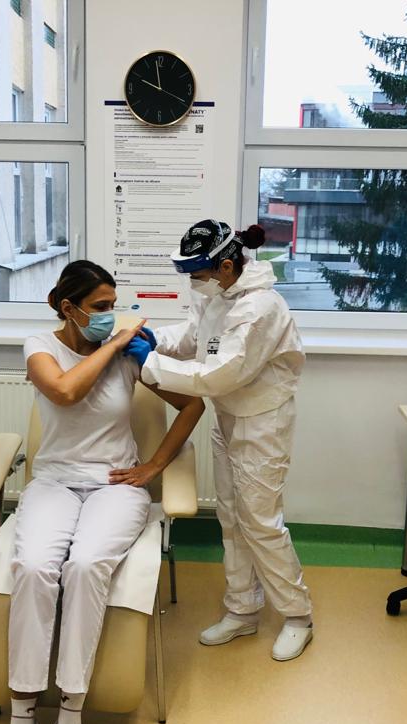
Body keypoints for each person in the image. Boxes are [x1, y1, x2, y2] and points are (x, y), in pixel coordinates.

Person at [0, 260, 204, 724]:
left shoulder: (129, 356)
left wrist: (154, 465)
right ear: (69, 308)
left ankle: (71, 718)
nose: (113, 315)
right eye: (101, 307)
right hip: (54, 482)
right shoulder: (40, 346)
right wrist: (114, 345)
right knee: (34, 567)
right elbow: (66, 391)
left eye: (115, 305)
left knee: (86, 565)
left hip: (115, 485)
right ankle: (23, 722)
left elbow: (193, 405)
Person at [126, 220, 314, 662]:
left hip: (262, 422)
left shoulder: (260, 308)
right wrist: (156, 340)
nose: (194, 282)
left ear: (226, 267)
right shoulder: (221, 295)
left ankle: (298, 616)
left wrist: (150, 364)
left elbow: (219, 373)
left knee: (260, 522)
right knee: (231, 517)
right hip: (229, 416)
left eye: (198, 273)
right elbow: (196, 336)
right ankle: (243, 609)